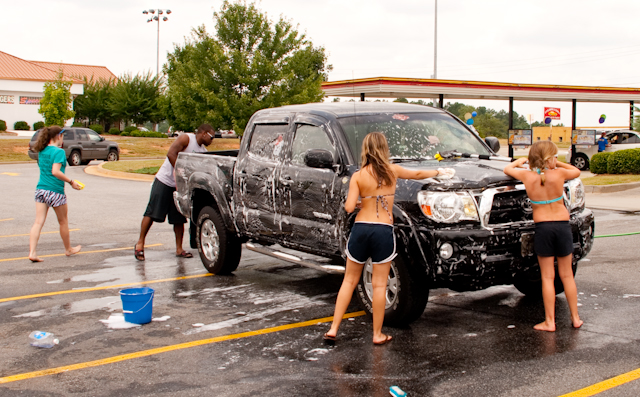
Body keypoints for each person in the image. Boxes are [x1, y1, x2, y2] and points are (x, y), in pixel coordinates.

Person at [324, 132, 454, 345]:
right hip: (382, 230)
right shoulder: (392, 171)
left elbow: (348, 207)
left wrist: (359, 203)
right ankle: (377, 334)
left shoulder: (358, 175)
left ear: (365, 149)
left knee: (349, 280)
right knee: (379, 285)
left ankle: (333, 328)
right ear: (384, 149)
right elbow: (418, 173)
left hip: (361, 229)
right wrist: (440, 170)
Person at [503, 141, 583, 332]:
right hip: (562, 227)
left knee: (547, 277)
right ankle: (575, 318)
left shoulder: (526, 175)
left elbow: (507, 168)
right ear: (550, 158)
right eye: (554, 156)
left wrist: (520, 161)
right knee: (567, 275)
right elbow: (576, 171)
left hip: (543, 228)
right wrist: (557, 164)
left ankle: (550, 321)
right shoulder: (560, 174)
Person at [134, 124, 215, 261]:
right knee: (152, 212)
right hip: (165, 181)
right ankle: (140, 243)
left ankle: (179, 249)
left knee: (179, 218)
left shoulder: (202, 151)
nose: (212, 140)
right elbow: (171, 153)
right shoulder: (186, 139)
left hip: (179, 186)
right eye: (211, 137)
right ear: (204, 133)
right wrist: (180, 172)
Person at [29, 126, 82, 262]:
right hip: (55, 191)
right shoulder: (58, 152)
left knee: (38, 222)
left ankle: (32, 252)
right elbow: (55, 171)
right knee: (63, 221)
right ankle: (68, 249)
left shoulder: (42, 151)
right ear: (58, 136)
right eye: (63, 136)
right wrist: (71, 182)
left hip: (41, 189)